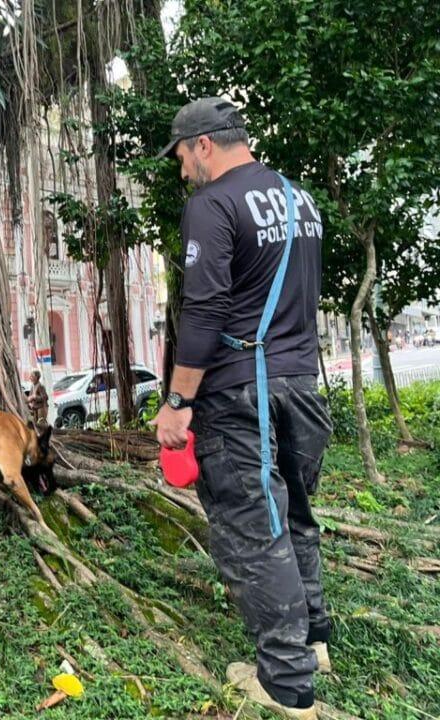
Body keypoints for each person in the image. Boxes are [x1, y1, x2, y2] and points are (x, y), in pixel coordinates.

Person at [152, 98, 333, 720]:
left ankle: (287, 683)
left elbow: (205, 311)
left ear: (204, 144)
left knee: (255, 531)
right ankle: (314, 639)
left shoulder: (213, 204)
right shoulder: (298, 199)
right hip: (301, 385)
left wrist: (179, 401)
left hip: (240, 394)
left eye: (182, 156)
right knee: (295, 514)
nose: (183, 171)